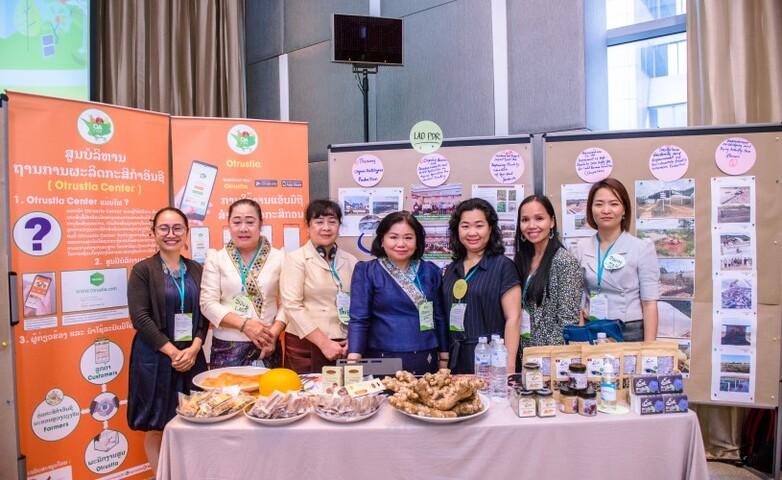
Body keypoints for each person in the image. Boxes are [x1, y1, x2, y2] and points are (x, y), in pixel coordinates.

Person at [127, 207, 207, 474]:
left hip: (192, 356)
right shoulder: (143, 270)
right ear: (153, 233)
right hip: (156, 356)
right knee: (157, 424)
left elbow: (205, 314)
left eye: (177, 228)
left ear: (186, 233)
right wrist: (174, 352)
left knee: (195, 418)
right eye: (164, 228)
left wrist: (195, 347)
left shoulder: (197, 269)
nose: (170, 234)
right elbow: (141, 318)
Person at [347, 211, 448, 374]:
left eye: (408, 238)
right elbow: (359, 319)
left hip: (425, 356)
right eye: (393, 237)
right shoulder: (366, 271)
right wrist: (353, 358)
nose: (401, 244)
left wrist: (444, 357)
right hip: (381, 355)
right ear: (382, 240)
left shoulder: (430, 271)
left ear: (417, 242)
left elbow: (439, 316)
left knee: (425, 398)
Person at [200, 199, 285, 367]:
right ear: (229, 224)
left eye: (250, 222)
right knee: (226, 394)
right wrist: (245, 325)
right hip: (227, 346)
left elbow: (288, 303)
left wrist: (273, 334)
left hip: (267, 344)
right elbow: (207, 304)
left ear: (261, 223)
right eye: (237, 222)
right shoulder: (216, 258)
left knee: (269, 393)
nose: (243, 228)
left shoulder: (279, 257)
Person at [572, 178, 660, 341]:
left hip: (629, 331)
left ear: (624, 209)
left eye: (614, 204)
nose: (606, 210)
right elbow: (579, 297)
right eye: (599, 204)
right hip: (593, 328)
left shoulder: (641, 248)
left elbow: (649, 303)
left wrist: (649, 349)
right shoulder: (580, 247)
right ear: (591, 209)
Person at [442, 198, 521, 374]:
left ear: (490, 228)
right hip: (457, 360)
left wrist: (508, 367)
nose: (472, 232)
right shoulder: (451, 270)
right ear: (457, 230)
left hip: (491, 359)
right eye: (465, 226)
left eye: (479, 225)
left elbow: (513, 319)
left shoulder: (503, 266)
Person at [281, 200, 358, 373]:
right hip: (306, 345)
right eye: (319, 221)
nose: (326, 227)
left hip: (344, 345)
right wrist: (324, 343)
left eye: (332, 221)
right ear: (307, 227)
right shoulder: (295, 259)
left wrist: (354, 337)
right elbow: (292, 306)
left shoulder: (351, 261)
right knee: (306, 397)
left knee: (343, 397)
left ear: (339, 226)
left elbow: (360, 306)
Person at [513, 195, 582, 354]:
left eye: (539, 218)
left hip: (549, 356)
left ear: (551, 221)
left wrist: (545, 356)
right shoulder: (523, 259)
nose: (531, 225)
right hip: (525, 349)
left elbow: (568, 322)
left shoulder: (564, 262)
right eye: (525, 220)